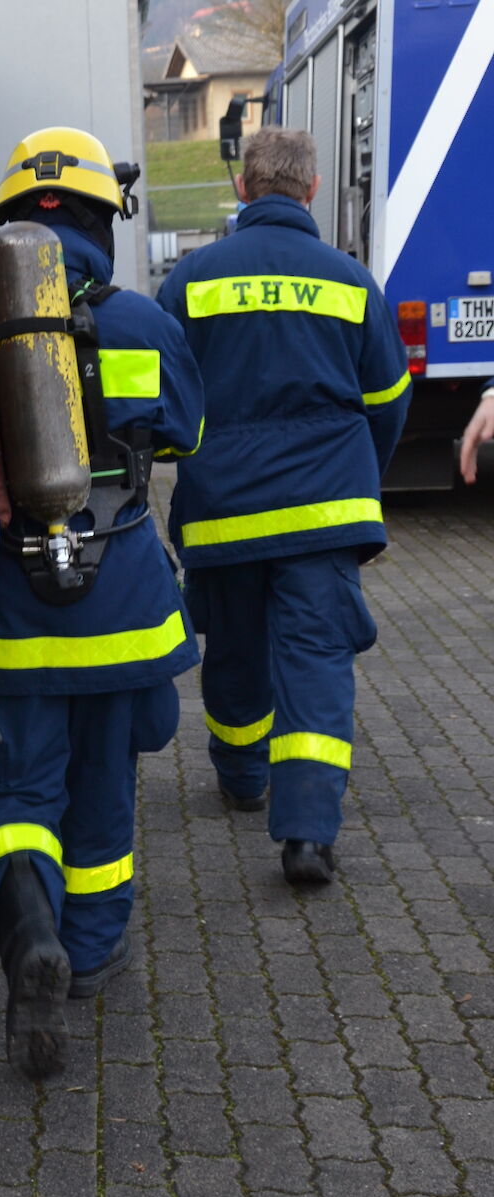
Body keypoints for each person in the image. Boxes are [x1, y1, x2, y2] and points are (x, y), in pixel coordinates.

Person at [0, 128, 205, 1079]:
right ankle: (90, 956)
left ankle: (29, 943)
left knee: (13, 796)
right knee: (106, 789)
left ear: (12, 219)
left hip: (10, 615)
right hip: (124, 607)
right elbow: (184, 431)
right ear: (105, 212)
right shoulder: (141, 318)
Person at [157, 127, 410, 887]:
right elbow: (389, 400)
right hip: (325, 512)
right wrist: (361, 475)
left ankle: (240, 779)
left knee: (233, 651)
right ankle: (307, 835)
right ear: (313, 188)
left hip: (224, 510)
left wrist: (190, 464)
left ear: (244, 188)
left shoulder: (191, 281)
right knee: (316, 664)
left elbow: (162, 397)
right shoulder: (349, 280)